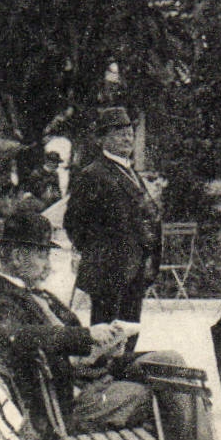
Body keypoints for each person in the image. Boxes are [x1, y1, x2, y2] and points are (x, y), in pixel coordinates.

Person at [0, 212, 216, 440]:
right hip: (71, 401)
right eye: (43, 255)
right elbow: (25, 337)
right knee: (176, 389)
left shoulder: (30, 293)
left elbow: (61, 337)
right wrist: (87, 336)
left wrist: (106, 343)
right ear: (17, 257)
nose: (48, 265)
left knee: (170, 360)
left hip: (89, 375)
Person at [64, 108, 162, 337]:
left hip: (135, 267)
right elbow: (74, 222)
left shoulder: (130, 172)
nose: (127, 138)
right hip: (109, 271)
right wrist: (101, 251)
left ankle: (121, 371)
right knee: (107, 335)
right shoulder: (94, 174)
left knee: (128, 332)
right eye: (119, 134)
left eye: (129, 133)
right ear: (102, 140)